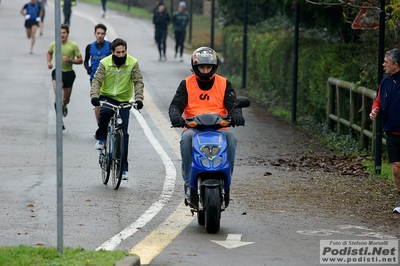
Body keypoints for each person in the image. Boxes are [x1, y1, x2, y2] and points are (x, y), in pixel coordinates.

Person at [168, 46, 245, 200]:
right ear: (195, 67)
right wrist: (176, 116)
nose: (204, 70)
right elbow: (176, 105)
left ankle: (225, 178)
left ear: (214, 67)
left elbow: (233, 104)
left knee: (231, 140)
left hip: (219, 128)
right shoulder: (186, 83)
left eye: (208, 67)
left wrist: (237, 114)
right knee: (186, 139)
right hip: (193, 127)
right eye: (201, 67)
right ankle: (189, 182)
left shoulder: (224, 83)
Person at [90, 38, 144, 180]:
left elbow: (138, 81)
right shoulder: (105, 63)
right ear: (112, 52)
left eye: (123, 52)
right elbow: (97, 81)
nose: (121, 55)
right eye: (118, 52)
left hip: (123, 101)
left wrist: (139, 99)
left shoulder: (133, 63)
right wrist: (95, 96)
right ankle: (101, 138)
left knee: (124, 134)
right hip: (107, 97)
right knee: (106, 112)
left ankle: (123, 168)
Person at [370, 48, 400, 214]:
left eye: (386, 62)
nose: (383, 65)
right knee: (396, 168)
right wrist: (375, 110)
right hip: (391, 133)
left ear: (395, 65)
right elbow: (378, 101)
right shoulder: (385, 82)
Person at [47, 24, 83, 129]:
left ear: (67, 34)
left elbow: (80, 60)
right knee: (58, 96)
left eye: (64, 33)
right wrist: (49, 62)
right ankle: (60, 121)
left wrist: (70, 60)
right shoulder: (54, 44)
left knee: (65, 99)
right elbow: (49, 53)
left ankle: (64, 105)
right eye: (60, 33)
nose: (62, 35)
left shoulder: (73, 46)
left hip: (69, 74)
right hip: (57, 73)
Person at [84, 23, 111, 131]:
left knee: (109, 102)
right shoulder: (90, 47)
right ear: (95, 34)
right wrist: (88, 69)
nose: (100, 35)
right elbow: (85, 61)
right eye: (98, 33)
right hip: (94, 78)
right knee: (97, 103)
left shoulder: (110, 46)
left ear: (105, 34)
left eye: (102, 33)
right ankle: (100, 127)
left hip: (108, 78)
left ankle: (110, 122)